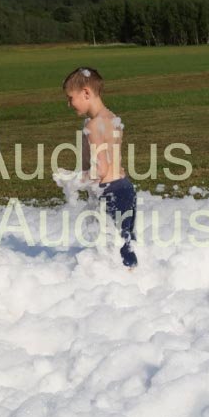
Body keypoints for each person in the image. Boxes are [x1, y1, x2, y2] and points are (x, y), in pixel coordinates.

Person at [62, 67, 137, 268]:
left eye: (70, 98)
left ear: (86, 93)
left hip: (110, 193)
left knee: (113, 252)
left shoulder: (93, 126)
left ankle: (122, 281)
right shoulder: (112, 118)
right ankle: (134, 277)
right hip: (124, 188)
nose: (68, 103)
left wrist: (71, 181)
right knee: (126, 247)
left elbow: (100, 170)